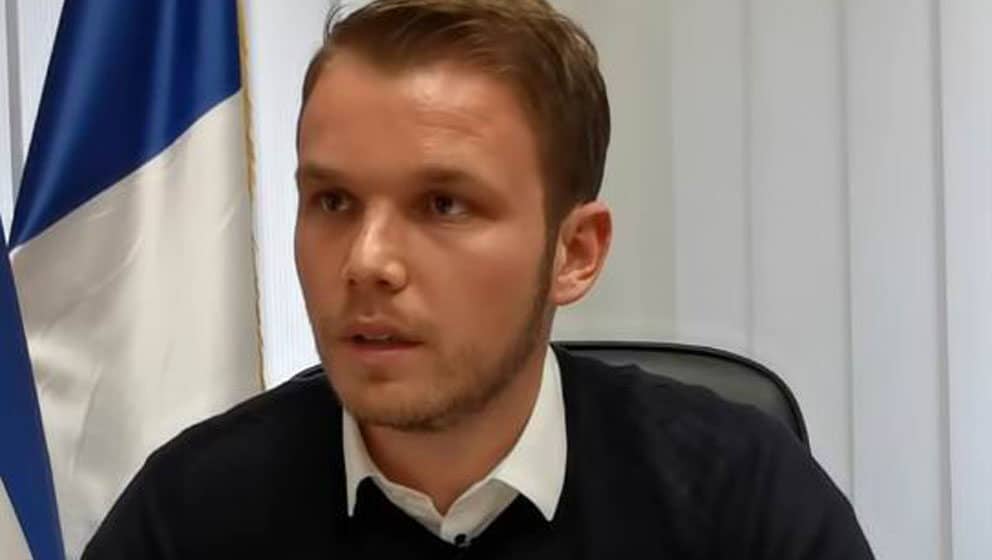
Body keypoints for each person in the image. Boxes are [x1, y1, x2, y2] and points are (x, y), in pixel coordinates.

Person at [83, 0, 874, 557]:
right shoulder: (189, 515)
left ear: (575, 253)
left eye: (444, 205)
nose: (367, 261)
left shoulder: (740, 500)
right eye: (333, 201)